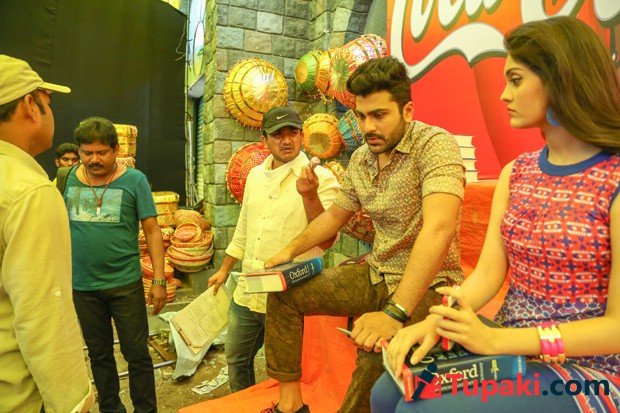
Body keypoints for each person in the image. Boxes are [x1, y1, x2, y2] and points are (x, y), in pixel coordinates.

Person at [371, 16, 620, 412]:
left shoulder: (614, 179)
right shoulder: (516, 172)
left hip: (590, 368)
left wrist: (497, 341)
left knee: (423, 408)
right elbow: (488, 274)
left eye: (516, 80)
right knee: (386, 391)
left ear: (561, 80)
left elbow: (616, 328)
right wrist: (438, 321)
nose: (504, 95)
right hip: (511, 348)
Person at [262, 56, 466, 413]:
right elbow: (334, 217)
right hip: (375, 272)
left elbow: (439, 228)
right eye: (361, 116)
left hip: (430, 285)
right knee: (284, 293)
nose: (368, 126)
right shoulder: (361, 158)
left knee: (378, 350)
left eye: (379, 115)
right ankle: (290, 406)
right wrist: (289, 251)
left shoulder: (435, 144)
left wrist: (394, 312)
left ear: (407, 110)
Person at [207, 106, 340, 393]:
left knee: (287, 370)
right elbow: (244, 227)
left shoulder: (322, 179)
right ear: (264, 140)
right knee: (236, 359)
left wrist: (309, 195)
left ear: (302, 136)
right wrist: (224, 270)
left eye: (292, 132)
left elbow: (327, 240)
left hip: (290, 295)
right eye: (278, 134)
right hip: (248, 289)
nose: (286, 140)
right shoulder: (255, 176)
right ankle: (243, 406)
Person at [0, 55, 94, 412]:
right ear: (30, 106)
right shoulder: (29, 190)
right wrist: (74, 403)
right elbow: (44, 315)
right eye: (48, 102)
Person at [63, 116, 167, 413]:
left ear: (116, 150)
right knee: (99, 355)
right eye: (87, 152)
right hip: (83, 286)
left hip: (125, 284)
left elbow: (152, 231)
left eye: (101, 152)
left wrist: (158, 280)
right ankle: (110, 408)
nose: (93, 159)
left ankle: (145, 410)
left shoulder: (135, 181)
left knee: (137, 354)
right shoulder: (67, 179)